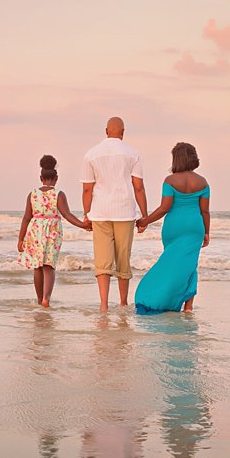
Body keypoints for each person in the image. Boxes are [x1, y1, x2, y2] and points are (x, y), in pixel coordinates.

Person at [81, 117, 149, 312]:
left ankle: (103, 305)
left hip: (100, 212)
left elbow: (87, 189)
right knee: (123, 258)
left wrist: (87, 214)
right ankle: (122, 302)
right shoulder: (132, 153)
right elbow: (139, 187)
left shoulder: (91, 154)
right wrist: (144, 215)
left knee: (103, 261)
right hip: (125, 211)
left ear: (106, 131)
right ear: (123, 132)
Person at [134, 142, 210, 314]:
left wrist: (145, 221)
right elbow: (204, 210)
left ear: (176, 159)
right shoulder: (203, 182)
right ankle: (188, 306)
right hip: (195, 227)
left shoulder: (170, 181)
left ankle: (159, 297)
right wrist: (206, 232)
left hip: (174, 227)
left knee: (170, 263)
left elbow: (164, 208)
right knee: (190, 265)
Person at [17, 155, 90, 307]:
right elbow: (67, 214)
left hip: (35, 231)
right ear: (56, 178)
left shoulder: (33, 194)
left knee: (37, 266)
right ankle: (46, 298)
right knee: (49, 266)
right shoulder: (58, 194)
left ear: (40, 177)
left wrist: (21, 239)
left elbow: (26, 218)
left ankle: (38, 299)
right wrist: (83, 225)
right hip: (53, 231)